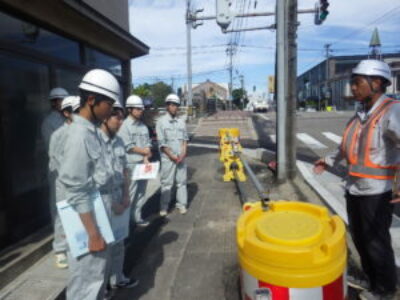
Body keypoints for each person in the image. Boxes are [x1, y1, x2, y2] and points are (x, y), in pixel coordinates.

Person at [313, 59, 399, 300]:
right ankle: (371, 280)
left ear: (377, 83)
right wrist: (328, 160)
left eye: (357, 83)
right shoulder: (360, 114)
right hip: (354, 188)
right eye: (352, 83)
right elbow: (346, 145)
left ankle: (385, 290)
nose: (352, 88)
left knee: (376, 242)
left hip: (377, 191)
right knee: (360, 239)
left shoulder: (391, 110)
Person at [58, 69, 119, 300]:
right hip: (88, 223)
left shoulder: (92, 131)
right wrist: (93, 234)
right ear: (92, 100)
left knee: (96, 280)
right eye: (109, 104)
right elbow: (75, 189)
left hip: (98, 216)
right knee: (86, 284)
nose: (111, 110)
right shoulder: (78, 136)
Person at [98, 101, 139, 297]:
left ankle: (118, 278)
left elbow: (124, 169)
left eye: (122, 117)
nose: (121, 121)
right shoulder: (94, 141)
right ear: (105, 117)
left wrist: (126, 195)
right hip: (102, 201)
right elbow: (91, 181)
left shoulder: (119, 141)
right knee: (104, 248)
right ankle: (102, 286)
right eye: (118, 117)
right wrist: (112, 203)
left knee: (119, 242)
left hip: (119, 197)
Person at [48, 96, 80, 269]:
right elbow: (56, 162)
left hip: (82, 184)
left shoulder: (84, 132)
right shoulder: (57, 134)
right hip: (64, 183)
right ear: (66, 113)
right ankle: (60, 250)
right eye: (75, 112)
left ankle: (75, 245)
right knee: (62, 215)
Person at [118, 95, 152, 227]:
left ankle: (137, 217)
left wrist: (146, 154)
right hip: (131, 164)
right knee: (130, 193)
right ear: (129, 109)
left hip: (143, 163)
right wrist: (144, 152)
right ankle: (125, 222)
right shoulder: (124, 126)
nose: (140, 111)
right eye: (137, 109)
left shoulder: (143, 126)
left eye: (141, 109)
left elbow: (148, 143)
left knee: (141, 192)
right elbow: (129, 146)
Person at [156, 94, 188, 216]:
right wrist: (172, 156)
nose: (175, 107)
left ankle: (182, 205)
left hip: (180, 158)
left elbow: (185, 140)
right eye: (172, 105)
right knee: (167, 183)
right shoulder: (161, 122)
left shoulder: (181, 122)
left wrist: (183, 153)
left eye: (176, 105)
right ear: (167, 106)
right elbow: (162, 143)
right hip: (168, 158)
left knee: (181, 182)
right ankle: (164, 207)